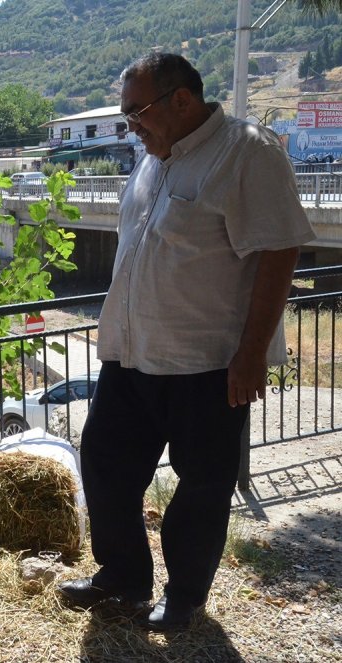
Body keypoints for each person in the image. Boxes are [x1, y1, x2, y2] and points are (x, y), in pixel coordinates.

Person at [56, 53, 316, 631]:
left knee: (202, 486)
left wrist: (252, 355)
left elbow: (280, 252)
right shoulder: (152, 159)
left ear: (182, 99)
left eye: (137, 113)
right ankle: (121, 577)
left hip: (208, 363)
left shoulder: (248, 151)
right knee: (104, 464)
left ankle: (185, 596)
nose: (133, 127)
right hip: (133, 353)